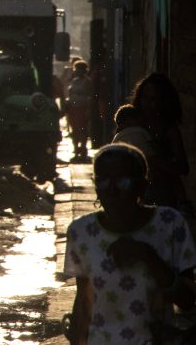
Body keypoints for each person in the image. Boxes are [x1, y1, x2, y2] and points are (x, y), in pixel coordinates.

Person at [65, 143, 196, 344]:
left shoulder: (169, 224)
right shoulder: (81, 232)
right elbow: (83, 303)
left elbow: (187, 299)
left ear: (141, 186)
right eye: (103, 182)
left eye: (123, 182)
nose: (112, 191)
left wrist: (147, 256)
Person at [130, 73, 191, 214]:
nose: (148, 103)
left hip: (162, 195)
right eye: (145, 98)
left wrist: (158, 162)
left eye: (153, 99)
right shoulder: (134, 124)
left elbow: (183, 167)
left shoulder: (168, 129)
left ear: (163, 101)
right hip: (135, 193)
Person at [66, 60, 95, 162]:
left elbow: (90, 97)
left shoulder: (87, 81)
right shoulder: (74, 81)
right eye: (76, 69)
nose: (76, 71)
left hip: (82, 108)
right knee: (74, 131)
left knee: (82, 130)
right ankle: (75, 151)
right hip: (72, 109)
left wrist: (88, 110)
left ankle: (83, 149)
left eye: (79, 69)